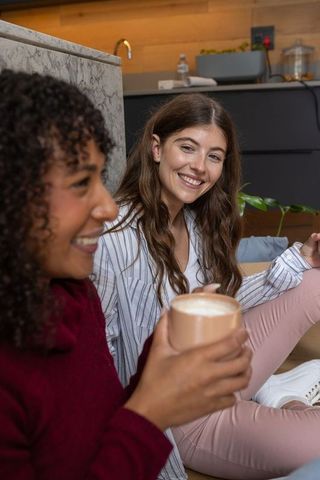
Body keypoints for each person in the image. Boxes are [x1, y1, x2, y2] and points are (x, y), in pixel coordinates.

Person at [0, 71, 252, 480]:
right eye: (82, 182)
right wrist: (151, 413)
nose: (109, 207)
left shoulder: (74, 296)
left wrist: (161, 353)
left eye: (99, 178)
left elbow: (106, 410)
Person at [93, 92, 320, 480]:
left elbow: (225, 302)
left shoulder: (194, 223)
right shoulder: (113, 238)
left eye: (214, 156)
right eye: (188, 147)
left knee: (314, 281)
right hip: (180, 414)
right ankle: (283, 400)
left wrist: (298, 261)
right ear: (156, 147)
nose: (199, 167)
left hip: (214, 368)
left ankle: (278, 396)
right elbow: (101, 362)